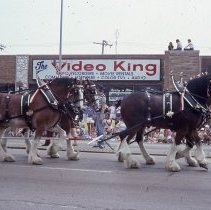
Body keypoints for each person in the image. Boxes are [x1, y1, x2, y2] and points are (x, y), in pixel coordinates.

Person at [93, 85, 107, 149]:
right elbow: (94, 105)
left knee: (101, 129)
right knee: (97, 130)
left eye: (96, 89)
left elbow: (103, 107)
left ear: (99, 89)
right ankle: (99, 142)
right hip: (96, 113)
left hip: (100, 113)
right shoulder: (96, 96)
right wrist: (94, 113)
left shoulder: (103, 96)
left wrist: (102, 115)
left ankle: (102, 143)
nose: (95, 90)